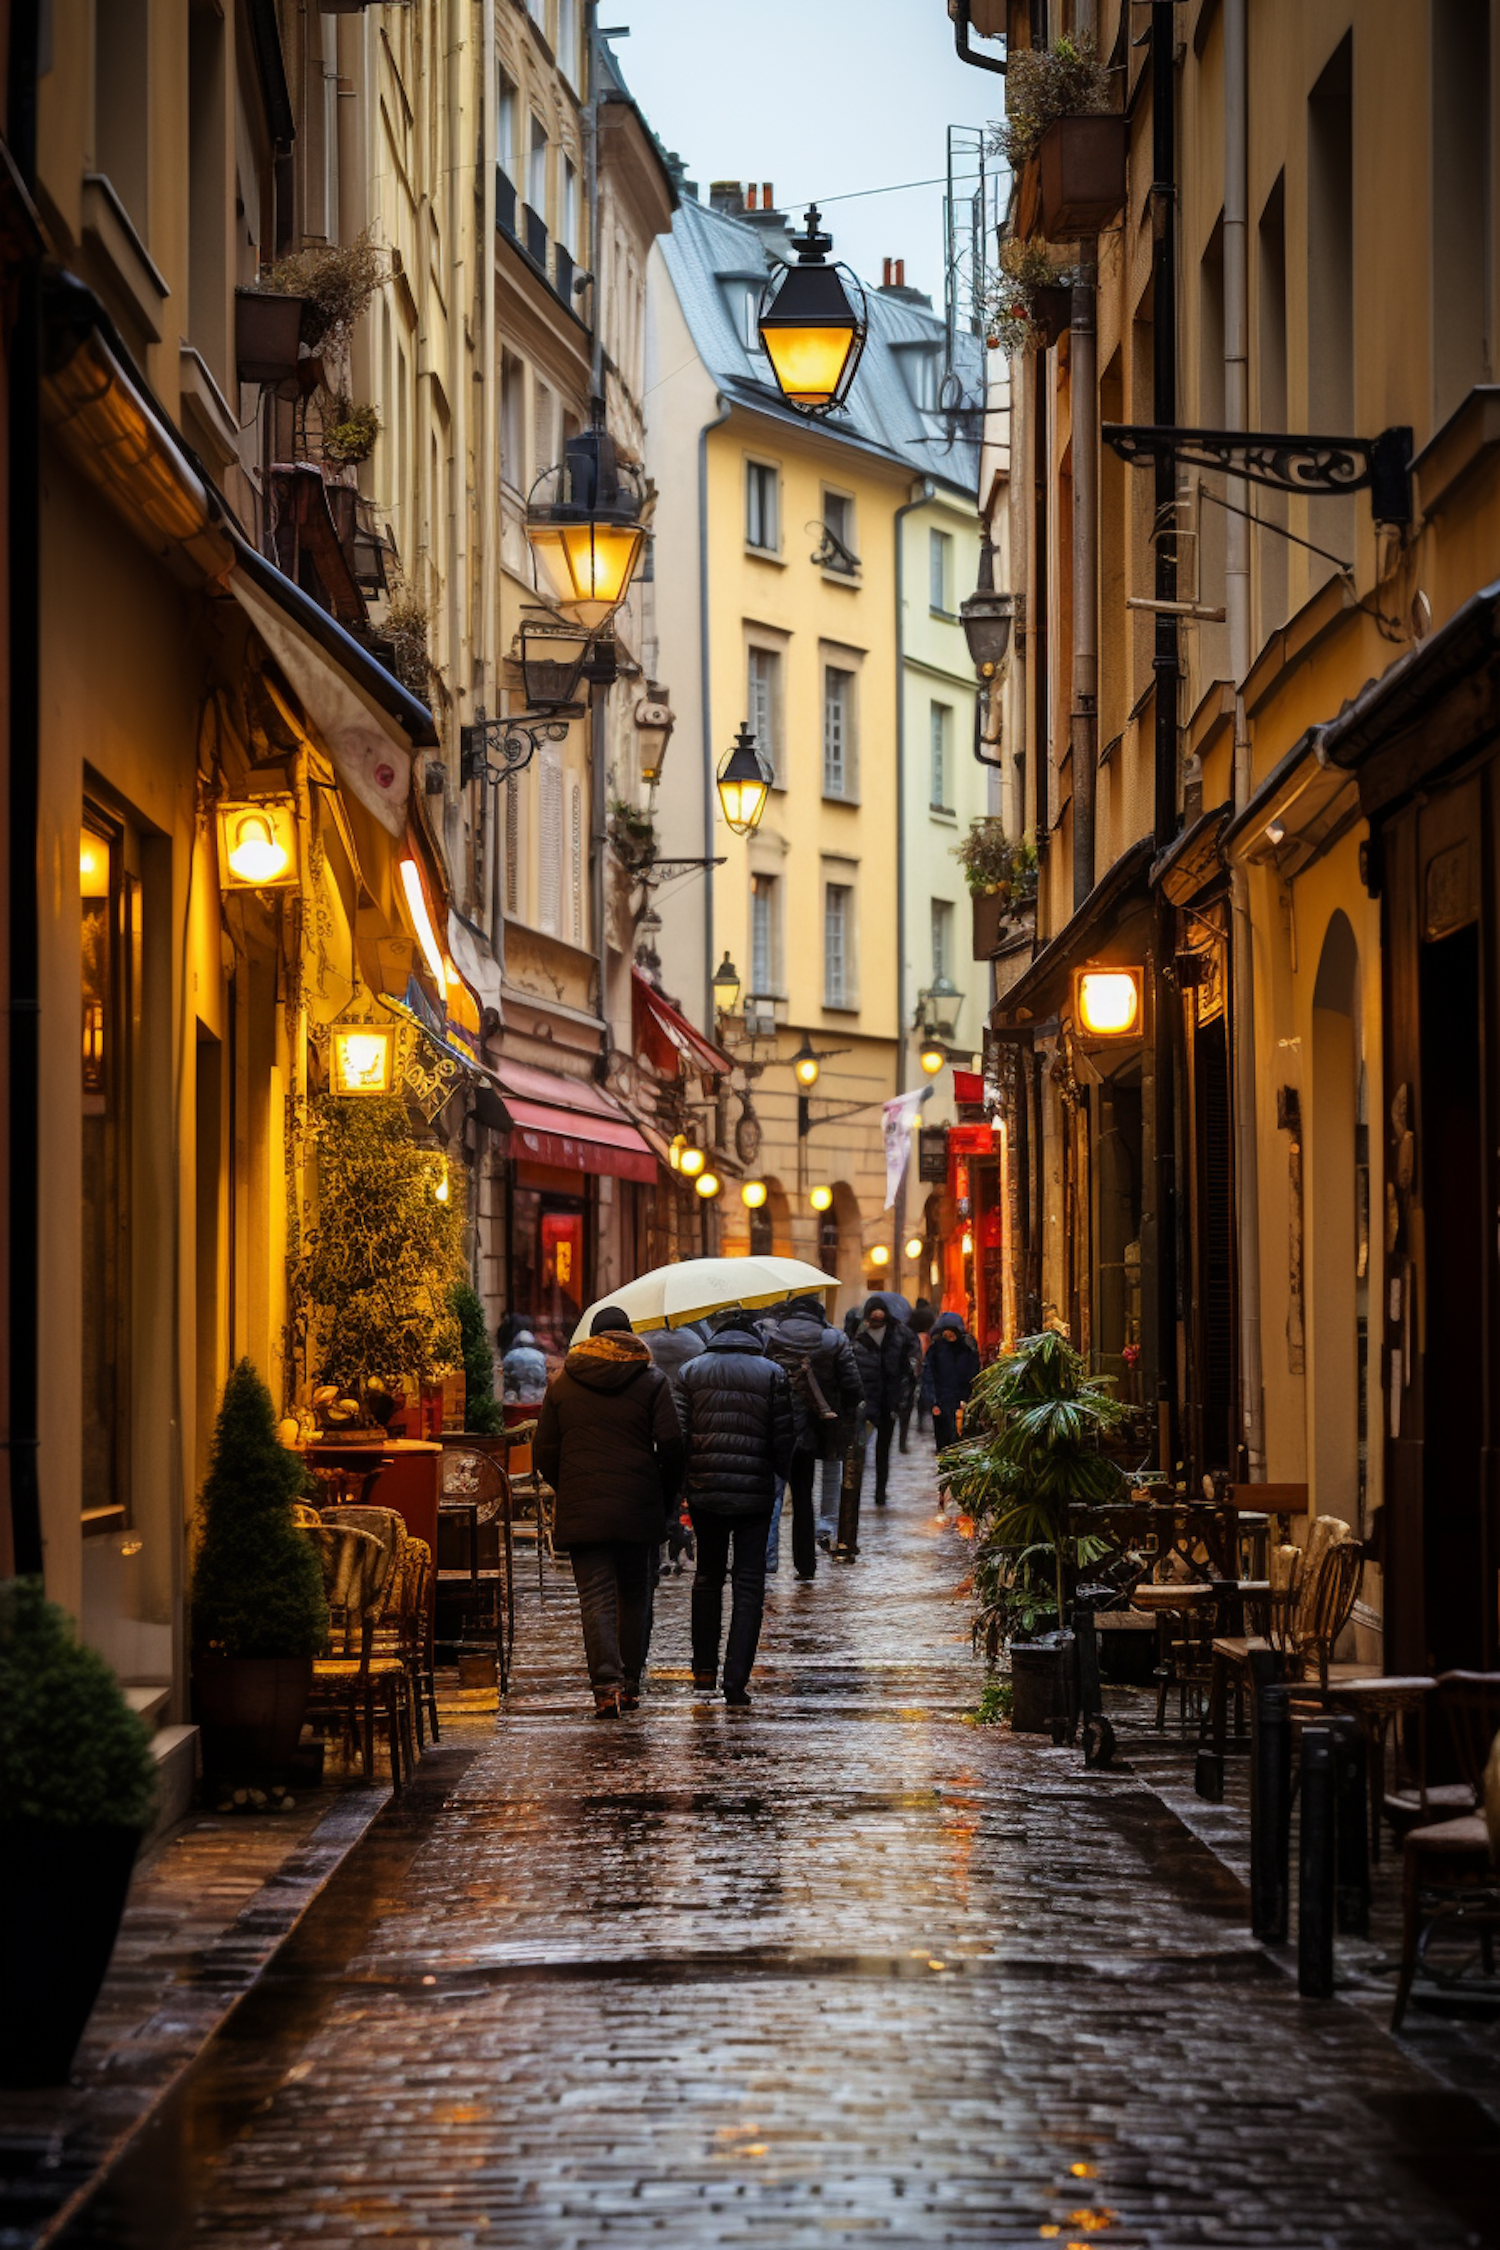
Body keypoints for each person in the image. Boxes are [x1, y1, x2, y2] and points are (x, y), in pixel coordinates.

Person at [533, 1306, 685, 1718]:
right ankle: (631, 1684)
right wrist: (664, 1497)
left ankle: (605, 1688)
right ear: (631, 1338)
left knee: (595, 1599)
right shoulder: (652, 1381)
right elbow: (672, 1445)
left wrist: (573, 1487)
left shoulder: (564, 1383)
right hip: (638, 1505)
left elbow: (544, 1449)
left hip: (586, 1509)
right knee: (636, 1595)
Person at [678, 1309, 794, 1707]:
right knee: (749, 1584)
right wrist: (777, 1475)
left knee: (707, 1577)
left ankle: (704, 1671)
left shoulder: (690, 1371)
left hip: (705, 1490)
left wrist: (686, 1483)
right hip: (754, 1494)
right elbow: (783, 1437)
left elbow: (680, 1435)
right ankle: (735, 1679)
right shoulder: (772, 1373)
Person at [759, 1295, 864, 1578]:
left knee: (771, 1495)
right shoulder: (833, 1339)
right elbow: (853, 1388)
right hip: (811, 1430)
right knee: (803, 1497)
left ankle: (766, 1562)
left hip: (772, 1427)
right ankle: (805, 1565)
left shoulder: (769, 1337)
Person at [645, 1323, 706, 1573]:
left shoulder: (644, 1342)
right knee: (682, 1492)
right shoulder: (696, 1343)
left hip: (651, 1427)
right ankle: (683, 1542)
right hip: (686, 1426)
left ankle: (660, 1552)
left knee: (654, 1494)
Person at [850, 1295, 910, 1507]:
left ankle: (880, 1493)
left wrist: (902, 1398)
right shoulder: (858, 1337)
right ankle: (854, 1493)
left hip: (888, 1402)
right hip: (866, 1403)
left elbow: (906, 1368)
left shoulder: (898, 1335)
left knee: (883, 1452)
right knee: (859, 1450)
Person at [921, 1312, 982, 1453]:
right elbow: (928, 1376)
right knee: (943, 1440)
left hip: (960, 1401)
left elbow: (972, 1374)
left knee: (959, 1439)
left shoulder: (967, 1350)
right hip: (941, 1401)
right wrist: (933, 1401)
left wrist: (967, 1397)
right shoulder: (936, 1350)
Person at [500, 1327, 548, 1405]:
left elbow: (505, 1372)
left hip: (518, 1392)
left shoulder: (511, 1354)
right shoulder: (540, 1355)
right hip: (537, 1393)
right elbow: (544, 1374)